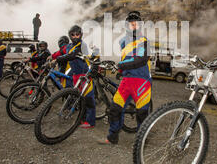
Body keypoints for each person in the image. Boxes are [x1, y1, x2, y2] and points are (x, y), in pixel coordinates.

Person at [99, 11, 152, 145]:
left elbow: (141, 60)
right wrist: (121, 70)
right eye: (131, 24)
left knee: (141, 114)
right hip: (127, 81)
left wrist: (121, 65)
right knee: (114, 109)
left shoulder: (144, 42)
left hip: (141, 81)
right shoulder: (123, 41)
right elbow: (126, 58)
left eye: (136, 24)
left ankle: (141, 142)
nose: (133, 26)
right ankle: (112, 137)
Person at [55, 25, 96, 128]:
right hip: (75, 75)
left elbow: (72, 55)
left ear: (81, 35)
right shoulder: (68, 46)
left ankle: (90, 122)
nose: (75, 36)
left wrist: (57, 59)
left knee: (88, 99)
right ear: (69, 35)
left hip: (84, 75)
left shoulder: (81, 45)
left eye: (77, 34)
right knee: (79, 98)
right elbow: (61, 52)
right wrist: (52, 57)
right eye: (72, 35)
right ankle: (82, 118)